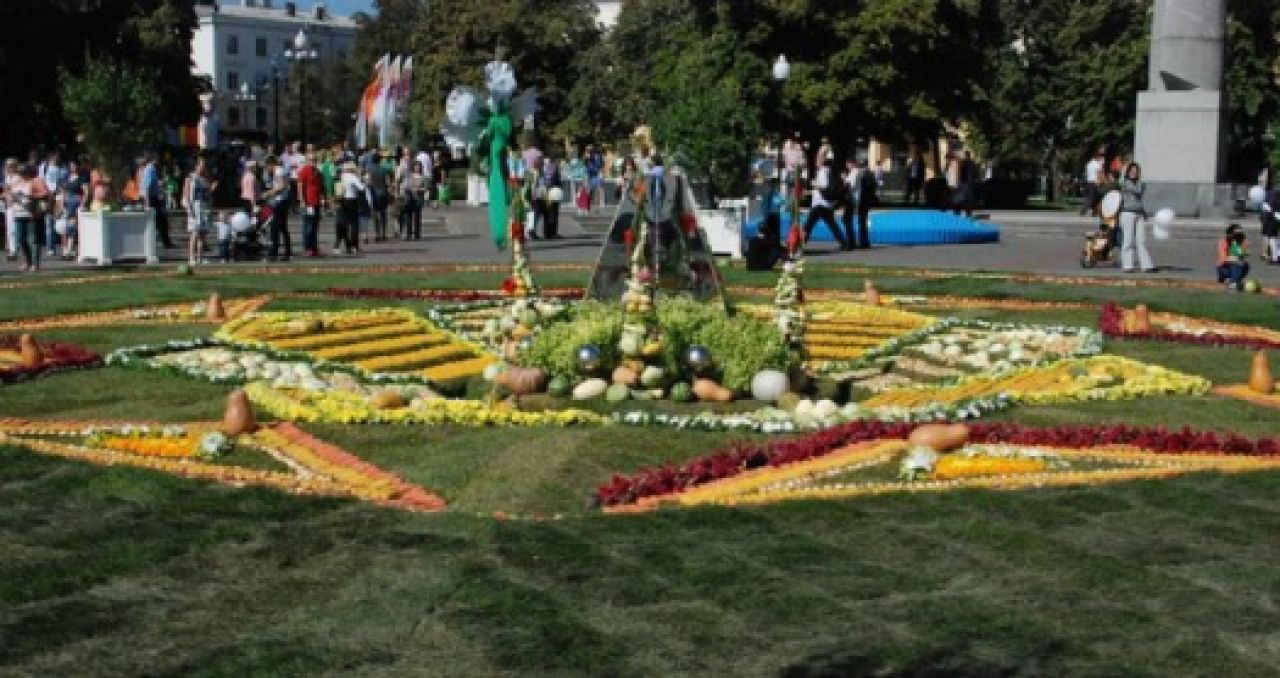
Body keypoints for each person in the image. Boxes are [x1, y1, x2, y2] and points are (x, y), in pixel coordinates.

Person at [804, 158, 852, 250]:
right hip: (828, 203)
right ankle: (844, 243)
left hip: (819, 204)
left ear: (822, 163)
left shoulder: (822, 171)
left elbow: (823, 186)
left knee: (808, 225)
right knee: (833, 225)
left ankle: (800, 243)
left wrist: (814, 184)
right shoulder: (832, 173)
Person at [1118, 162, 1155, 273]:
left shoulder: (1141, 184)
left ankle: (1147, 265)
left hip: (1139, 214)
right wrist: (1124, 172)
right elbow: (1136, 190)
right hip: (1127, 213)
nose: (1133, 173)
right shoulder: (1125, 183)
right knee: (1128, 240)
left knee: (1141, 240)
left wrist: (1144, 213)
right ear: (1128, 172)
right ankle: (1128, 265)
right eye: (1131, 170)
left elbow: (1139, 196)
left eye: (1136, 171)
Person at [7, 165, 40, 272]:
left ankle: (34, 264)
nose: (22, 175)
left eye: (23, 173)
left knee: (33, 240)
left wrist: (30, 197)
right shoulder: (15, 185)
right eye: (20, 173)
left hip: (30, 214)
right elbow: (10, 197)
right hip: (18, 213)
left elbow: (39, 195)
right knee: (20, 239)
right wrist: (12, 197)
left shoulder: (32, 183)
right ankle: (28, 261)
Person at [183, 157, 215, 266]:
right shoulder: (190, 177)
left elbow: (207, 194)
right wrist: (189, 209)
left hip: (204, 207)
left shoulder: (205, 178)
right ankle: (191, 258)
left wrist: (211, 189)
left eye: (204, 165)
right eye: (201, 165)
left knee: (203, 234)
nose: (203, 167)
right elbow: (186, 194)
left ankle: (200, 257)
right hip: (195, 206)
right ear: (196, 165)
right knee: (195, 233)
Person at [140, 153, 174, 248]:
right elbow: (147, 187)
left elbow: (154, 184)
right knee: (158, 220)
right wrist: (147, 204)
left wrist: (161, 185)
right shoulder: (150, 169)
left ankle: (166, 242)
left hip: (155, 198)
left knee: (162, 220)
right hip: (151, 199)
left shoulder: (153, 170)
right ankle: (159, 242)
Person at [263, 159, 292, 261]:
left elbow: (282, 186)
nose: (267, 170)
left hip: (281, 202)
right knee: (282, 228)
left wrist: (269, 193)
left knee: (275, 228)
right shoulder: (278, 171)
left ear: (271, 164)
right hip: (279, 201)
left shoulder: (279, 171)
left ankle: (274, 253)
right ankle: (287, 252)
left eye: (267, 167)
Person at [297, 153, 323, 257]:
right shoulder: (304, 171)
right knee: (308, 226)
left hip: (316, 202)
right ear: (307, 160)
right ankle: (307, 248)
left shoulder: (317, 172)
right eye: (311, 160)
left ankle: (314, 247)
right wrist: (302, 200)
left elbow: (320, 187)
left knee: (315, 226)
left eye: (315, 159)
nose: (313, 161)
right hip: (308, 203)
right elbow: (300, 186)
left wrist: (322, 198)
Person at [336, 161, 366, 255]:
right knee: (354, 225)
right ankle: (354, 246)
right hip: (352, 200)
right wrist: (364, 181)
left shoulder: (342, 177)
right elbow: (361, 188)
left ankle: (341, 245)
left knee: (343, 224)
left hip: (342, 200)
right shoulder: (353, 177)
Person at [60, 158, 86, 260]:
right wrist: (62, 204)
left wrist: (82, 204)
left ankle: (70, 250)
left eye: (74, 165)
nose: (73, 167)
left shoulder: (82, 177)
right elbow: (63, 191)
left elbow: (86, 192)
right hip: (66, 203)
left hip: (76, 203)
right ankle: (66, 250)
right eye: (71, 165)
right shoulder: (66, 177)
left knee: (72, 227)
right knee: (64, 228)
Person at [852, 160, 878, 249]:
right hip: (867, 201)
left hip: (862, 200)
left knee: (861, 222)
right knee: (863, 221)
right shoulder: (871, 174)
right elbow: (873, 187)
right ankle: (864, 241)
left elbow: (859, 189)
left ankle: (863, 241)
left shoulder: (861, 175)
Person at [1217, 224, 1251, 290]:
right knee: (1236, 264)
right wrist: (1236, 259)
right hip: (1223, 267)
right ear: (1230, 234)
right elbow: (1223, 258)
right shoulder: (1223, 242)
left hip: (1235, 266)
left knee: (1245, 265)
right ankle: (1233, 282)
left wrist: (1244, 249)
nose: (1238, 235)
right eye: (1236, 234)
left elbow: (1243, 254)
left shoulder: (1239, 242)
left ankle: (1233, 280)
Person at [367, 156, 390, 242]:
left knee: (376, 214)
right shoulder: (384, 170)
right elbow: (388, 182)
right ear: (380, 161)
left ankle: (377, 234)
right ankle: (384, 233)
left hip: (374, 194)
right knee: (383, 213)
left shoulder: (370, 170)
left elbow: (368, 182)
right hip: (383, 193)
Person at [539, 156, 562, 240]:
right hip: (554, 192)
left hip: (545, 192)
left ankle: (546, 233)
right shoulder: (554, 168)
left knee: (546, 213)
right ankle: (553, 233)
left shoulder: (542, 168)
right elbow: (557, 180)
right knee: (554, 213)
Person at [1081, 148, 1106, 216]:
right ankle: (1083, 211)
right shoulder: (1098, 165)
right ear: (1098, 158)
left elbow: (1087, 173)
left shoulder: (1089, 164)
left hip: (1088, 182)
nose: (1103, 159)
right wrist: (1101, 182)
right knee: (1092, 198)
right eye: (1101, 157)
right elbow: (1099, 174)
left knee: (1095, 198)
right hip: (1094, 183)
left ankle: (1094, 212)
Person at [1261, 187, 1280, 265]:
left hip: (1272, 220)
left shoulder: (1270, 198)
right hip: (1276, 217)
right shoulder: (1275, 197)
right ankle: (1277, 256)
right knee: (1275, 239)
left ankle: (1275, 258)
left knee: (1273, 239)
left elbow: (1268, 211)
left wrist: (1264, 220)